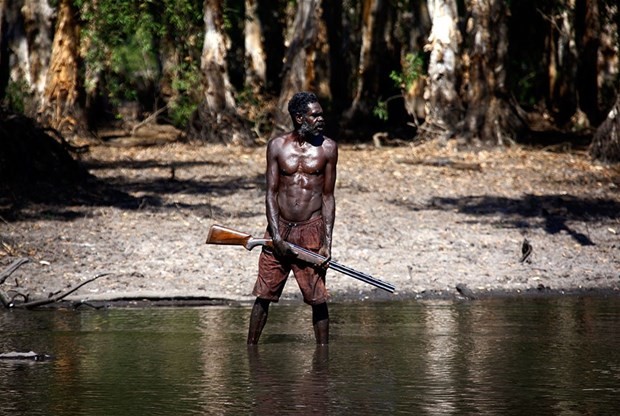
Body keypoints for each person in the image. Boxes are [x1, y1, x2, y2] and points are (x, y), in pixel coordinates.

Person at [247, 92, 338, 345]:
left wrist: (327, 243)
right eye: (315, 114)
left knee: (317, 298)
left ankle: (323, 361)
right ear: (299, 118)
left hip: (311, 230)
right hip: (279, 229)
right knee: (263, 295)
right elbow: (271, 193)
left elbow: (328, 197)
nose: (321, 119)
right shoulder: (277, 146)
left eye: (321, 114)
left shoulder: (328, 148)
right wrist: (275, 237)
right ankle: (251, 350)